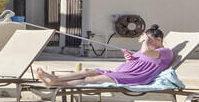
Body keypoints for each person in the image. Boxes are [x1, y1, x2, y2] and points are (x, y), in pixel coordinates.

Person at [35, 25, 172, 87]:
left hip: (133, 77)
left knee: (90, 79)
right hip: (122, 72)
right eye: (148, 40)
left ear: (159, 39)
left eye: (150, 40)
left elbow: (146, 53)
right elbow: (139, 59)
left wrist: (145, 40)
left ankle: (55, 83)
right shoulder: (146, 50)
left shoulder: (165, 52)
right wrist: (129, 58)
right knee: (88, 71)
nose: (148, 43)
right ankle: (55, 79)